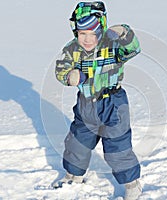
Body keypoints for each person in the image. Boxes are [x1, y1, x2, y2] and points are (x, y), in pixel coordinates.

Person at [54, 1, 142, 199]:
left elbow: (133, 49)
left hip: (114, 103)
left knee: (117, 146)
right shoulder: (72, 49)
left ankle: (131, 183)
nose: (87, 39)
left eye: (92, 34)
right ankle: (73, 176)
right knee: (78, 142)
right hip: (86, 104)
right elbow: (61, 69)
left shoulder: (112, 46)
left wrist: (125, 34)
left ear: (101, 29)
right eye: (82, 33)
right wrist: (69, 76)